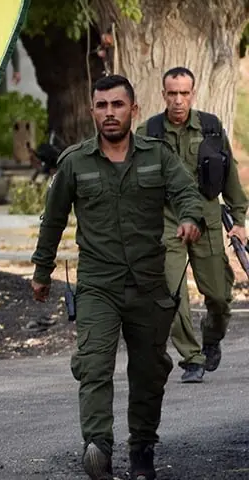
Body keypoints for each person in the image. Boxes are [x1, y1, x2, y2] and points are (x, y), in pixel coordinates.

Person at [30, 74, 204, 480]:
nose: (110, 113)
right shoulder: (74, 162)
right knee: (93, 366)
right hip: (97, 286)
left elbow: (186, 193)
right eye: (102, 106)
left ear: (133, 109)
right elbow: (52, 220)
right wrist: (42, 271)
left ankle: (142, 446)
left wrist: (191, 219)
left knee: (149, 371)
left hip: (148, 284)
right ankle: (98, 450)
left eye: (118, 105)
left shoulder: (157, 157)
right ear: (92, 111)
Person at [136, 66, 248, 383]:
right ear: (163, 95)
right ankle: (192, 357)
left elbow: (230, 176)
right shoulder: (148, 132)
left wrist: (238, 221)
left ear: (193, 94)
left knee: (220, 296)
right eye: (172, 93)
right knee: (169, 292)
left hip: (207, 218)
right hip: (167, 220)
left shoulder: (211, 128)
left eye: (184, 93)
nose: (178, 100)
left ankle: (211, 339)